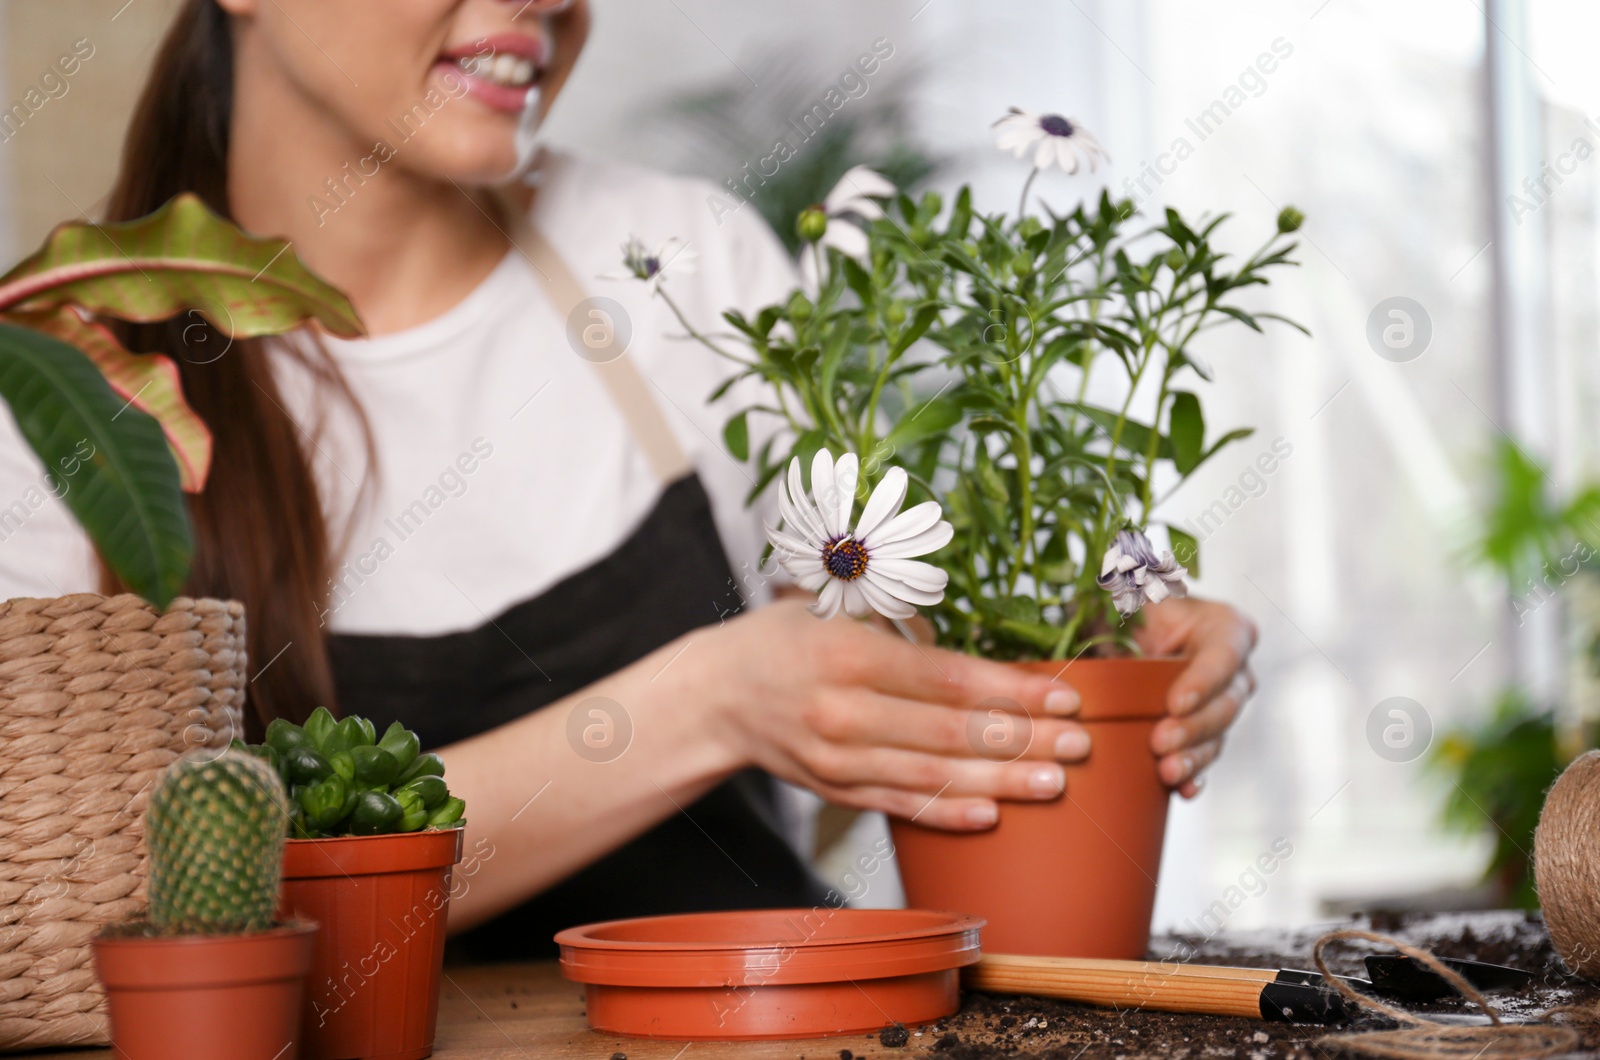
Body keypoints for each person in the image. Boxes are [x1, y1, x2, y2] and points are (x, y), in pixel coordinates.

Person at [0, 0, 1257, 958]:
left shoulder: (678, 263)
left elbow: (898, 626)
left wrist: (1107, 637)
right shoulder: (67, 390)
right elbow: (97, 901)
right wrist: (707, 702)